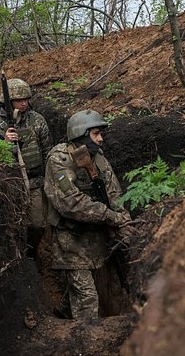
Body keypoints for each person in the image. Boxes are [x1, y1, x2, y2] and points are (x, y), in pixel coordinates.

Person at [44, 109, 131, 319]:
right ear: (81, 135)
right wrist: (111, 217)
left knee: (84, 289)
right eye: (96, 134)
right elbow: (70, 203)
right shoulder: (59, 161)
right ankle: (85, 341)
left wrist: (123, 219)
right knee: (87, 298)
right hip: (71, 240)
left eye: (101, 134)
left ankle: (61, 315)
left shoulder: (98, 157)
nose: (101, 139)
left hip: (96, 237)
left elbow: (113, 192)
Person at [0, 78, 52, 261]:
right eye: (19, 100)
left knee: (38, 224)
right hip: (11, 185)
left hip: (34, 182)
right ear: (8, 102)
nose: (24, 103)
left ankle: (31, 255)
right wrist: (4, 142)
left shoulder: (37, 120)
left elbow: (47, 149)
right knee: (12, 226)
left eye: (26, 99)